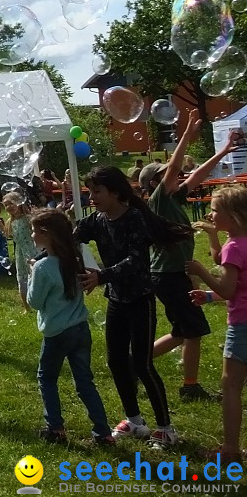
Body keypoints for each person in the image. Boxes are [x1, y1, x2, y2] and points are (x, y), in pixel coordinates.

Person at [75, 166, 191, 448]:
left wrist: (101, 276)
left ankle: (166, 428)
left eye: (97, 192)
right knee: (116, 361)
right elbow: (71, 238)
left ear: (115, 192)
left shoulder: (135, 218)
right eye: (90, 192)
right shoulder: (97, 220)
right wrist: (45, 254)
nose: (92, 198)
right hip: (116, 300)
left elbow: (136, 261)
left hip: (140, 300)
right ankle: (135, 421)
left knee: (142, 364)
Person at [141, 109, 232, 402]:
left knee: (184, 331)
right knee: (192, 330)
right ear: (154, 184)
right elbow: (175, 168)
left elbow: (197, 174)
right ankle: (190, 387)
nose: (177, 175)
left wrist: (226, 150)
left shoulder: (173, 198)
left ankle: (134, 363)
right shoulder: (157, 200)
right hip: (169, 274)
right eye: (167, 174)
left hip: (171, 273)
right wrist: (186, 136)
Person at [28, 210, 114, 446]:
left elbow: (34, 302)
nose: (32, 235)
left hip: (56, 333)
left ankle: (55, 428)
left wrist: (31, 274)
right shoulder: (75, 260)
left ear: (47, 235)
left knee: (46, 378)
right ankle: (103, 433)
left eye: (35, 230)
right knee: (85, 381)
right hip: (80, 329)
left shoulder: (42, 267)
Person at [188, 185, 247, 463]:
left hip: (242, 325)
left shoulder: (233, 247)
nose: (210, 215)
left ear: (233, 217)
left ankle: (231, 451)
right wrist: (210, 296)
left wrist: (201, 272)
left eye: (214, 210)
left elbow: (229, 290)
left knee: (231, 386)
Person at [2, 191, 37, 313]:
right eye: (6, 205)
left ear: (19, 203)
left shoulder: (27, 218)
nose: (8, 207)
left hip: (32, 250)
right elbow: (7, 234)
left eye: (11, 203)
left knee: (35, 276)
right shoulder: (10, 221)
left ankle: (39, 303)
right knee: (21, 278)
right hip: (20, 253)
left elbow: (36, 228)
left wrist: (34, 215)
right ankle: (27, 308)